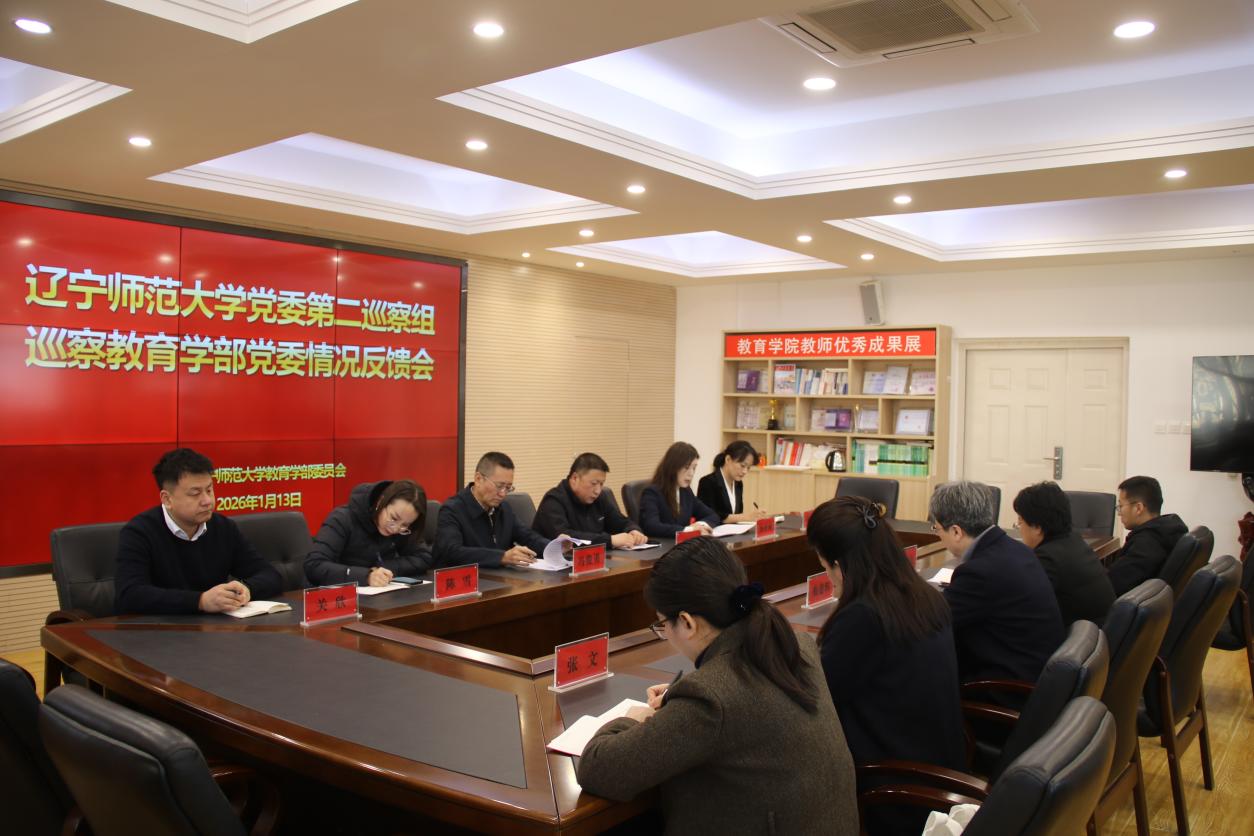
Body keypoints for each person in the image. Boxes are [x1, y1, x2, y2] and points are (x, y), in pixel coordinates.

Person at [577, 537, 858, 835]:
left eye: (662, 624)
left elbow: (599, 769)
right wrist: (680, 700)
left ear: (687, 622)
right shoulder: (797, 645)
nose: (665, 633)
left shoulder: (710, 698)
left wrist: (632, 720)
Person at [806, 496, 966, 836]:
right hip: (938, 770)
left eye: (825, 567)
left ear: (839, 565)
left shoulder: (864, 616)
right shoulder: (924, 596)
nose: (829, 578)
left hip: (894, 788)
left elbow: (818, 699)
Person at [114, 448, 282, 615]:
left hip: (214, 628)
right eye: (195, 494)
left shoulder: (223, 527)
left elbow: (270, 575)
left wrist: (246, 590)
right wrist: (200, 601)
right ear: (167, 499)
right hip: (158, 628)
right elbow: (130, 595)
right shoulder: (139, 532)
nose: (207, 501)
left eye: (209, 490)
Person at [930, 480, 1064, 688]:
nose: (938, 535)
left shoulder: (980, 572)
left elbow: (933, 622)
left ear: (956, 531)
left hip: (1005, 687)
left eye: (937, 529)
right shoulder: (1016, 549)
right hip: (1035, 673)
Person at [1013, 481, 1115, 626]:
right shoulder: (1074, 541)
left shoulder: (1048, 559)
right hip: (1098, 631)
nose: (1019, 528)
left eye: (1020, 521)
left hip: (1082, 636)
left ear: (1037, 527)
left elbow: (1022, 607)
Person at [304, 480, 433, 586]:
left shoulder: (401, 527)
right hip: (341, 600)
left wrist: (384, 568)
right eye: (393, 518)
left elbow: (423, 558)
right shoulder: (342, 518)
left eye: (405, 525)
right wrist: (366, 576)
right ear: (381, 501)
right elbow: (314, 565)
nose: (395, 529)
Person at [434, 452, 552, 568]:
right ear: (479, 479)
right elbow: (452, 552)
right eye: (499, 486)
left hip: (499, 576)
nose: (503, 494)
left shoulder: (504, 508)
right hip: (467, 578)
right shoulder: (452, 510)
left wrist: (554, 548)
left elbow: (528, 537)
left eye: (508, 487)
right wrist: (502, 557)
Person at [533, 452, 648, 549]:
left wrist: (633, 530)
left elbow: (619, 521)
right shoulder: (553, 501)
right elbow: (565, 538)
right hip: (558, 564)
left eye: (601, 484)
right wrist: (610, 540)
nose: (598, 490)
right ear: (575, 478)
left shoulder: (599, 498)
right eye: (593, 483)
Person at [1108, 475, 1188, 596]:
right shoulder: (1169, 530)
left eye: (1121, 506)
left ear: (1138, 508)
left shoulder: (1146, 545)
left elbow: (1111, 587)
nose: (1119, 513)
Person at [638, 442, 721, 538]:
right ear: (673, 466)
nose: (691, 473)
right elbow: (652, 526)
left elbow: (713, 516)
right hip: (663, 545)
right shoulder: (652, 492)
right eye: (687, 467)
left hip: (683, 544)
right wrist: (689, 530)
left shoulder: (686, 492)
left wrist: (700, 526)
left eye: (694, 468)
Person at [696, 441, 765, 524]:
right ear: (728, 459)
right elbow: (708, 516)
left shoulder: (738, 484)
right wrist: (745, 517)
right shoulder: (707, 482)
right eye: (742, 466)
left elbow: (737, 515)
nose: (745, 471)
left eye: (748, 468)